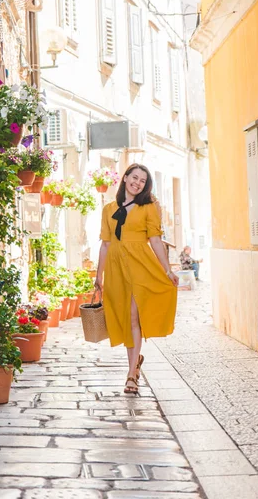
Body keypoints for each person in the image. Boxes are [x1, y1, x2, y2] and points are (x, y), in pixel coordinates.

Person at [95, 164, 179, 395]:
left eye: (143, 180)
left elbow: (155, 240)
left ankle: (131, 373)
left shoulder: (148, 207)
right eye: (134, 177)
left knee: (133, 316)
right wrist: (98, 276)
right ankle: (135, 362)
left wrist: (168, 270)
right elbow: (105, 244)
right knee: (125, 317)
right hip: (115, 268)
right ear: (125, 178)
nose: (137, 183)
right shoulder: (108, 209)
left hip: (140, 265)